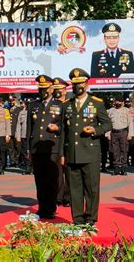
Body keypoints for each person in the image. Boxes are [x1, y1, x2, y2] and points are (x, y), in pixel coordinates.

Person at [63, 68, 112, 225]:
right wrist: (62, 154)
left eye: (81, 83)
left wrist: (95, 130)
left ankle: (90, 217)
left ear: (87, 84)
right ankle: (77, 218)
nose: (78, 86)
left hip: (90, 152)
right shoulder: (67, 105)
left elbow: (107, 124)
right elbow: (64, 131)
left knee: (91, 188)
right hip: (72, 153)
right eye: (75, 84)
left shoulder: (96, 103)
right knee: (74, 189)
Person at [26, 75, 64, 219]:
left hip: (52, 147)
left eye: (45, 88)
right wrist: (28, 149)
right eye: (40, 88)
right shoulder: (33, 105)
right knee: (40, 180)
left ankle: (51, 207)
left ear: (51, 88)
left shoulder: (60, 105)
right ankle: (42, 207)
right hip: (36, 147)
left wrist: (57, 128)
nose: (43, 91)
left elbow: (64, 127)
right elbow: (29, 129)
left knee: (52, 179)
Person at [52, 77, 71, 207]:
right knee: (57, 172)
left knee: (69, 171)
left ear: (65, 90)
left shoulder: (71, 104)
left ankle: (69, 197)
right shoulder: (52, 105)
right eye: (55, 89)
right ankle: (58, 197)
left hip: (69, 142)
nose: (57, 92)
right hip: (55, 142)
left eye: (60, 89)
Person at [108, 96, 134, 176]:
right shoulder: (111, 111)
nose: (118, 103)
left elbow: (130, 123)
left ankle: (123, 168)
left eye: (120, 101)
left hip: (123, 132)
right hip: (114, 132)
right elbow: (108, 123)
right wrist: (107, 134)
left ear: (123, 102)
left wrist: (130, 134)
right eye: (117, 101)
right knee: (115, 151)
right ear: (115, 102)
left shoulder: (126, 110)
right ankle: (116, 168)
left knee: (124, 150)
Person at [15, 99, 32, 175]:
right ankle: (27, 168)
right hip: (24, 135)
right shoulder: (21, 113)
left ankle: (33, 168)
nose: (28, 104)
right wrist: (18, 135)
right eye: (27, 103)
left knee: (32, 152)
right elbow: (18, 125)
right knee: (24, 152)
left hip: (32, 136)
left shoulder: (34, 111)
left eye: (29, 103)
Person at [7, 95, 23, 168]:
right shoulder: (7, 109)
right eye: (10, 101)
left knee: (18, 147)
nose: (11, 102)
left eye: (12, 101)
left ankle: (18, 161)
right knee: (10, 148)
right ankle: (12, 161)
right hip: (9, 131)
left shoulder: (19, 109)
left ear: (15, 101)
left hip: (16, 131)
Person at [125, 98, 134, 167]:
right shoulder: (123, 109)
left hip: (133, 130)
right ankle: (126, 161)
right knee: (126, 147)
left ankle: (133, 161)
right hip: (125, 131)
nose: (127, 103)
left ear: (131, 102)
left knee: (133, 147)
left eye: (129, 102)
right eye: (126, 102)